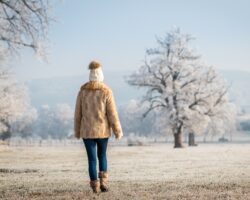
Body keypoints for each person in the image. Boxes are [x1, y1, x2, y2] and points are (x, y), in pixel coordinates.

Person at [74, 60, 123, 193]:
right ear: (101, 75)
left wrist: (77, 131)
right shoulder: (106, 91)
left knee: (91, 159)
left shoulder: (82, 91)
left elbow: (77, 113)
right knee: (102, 156)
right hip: (102, 131)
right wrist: (117, 130)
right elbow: (112, 113)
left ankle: (95, 186)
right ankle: (104, 182)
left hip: (87, 131)